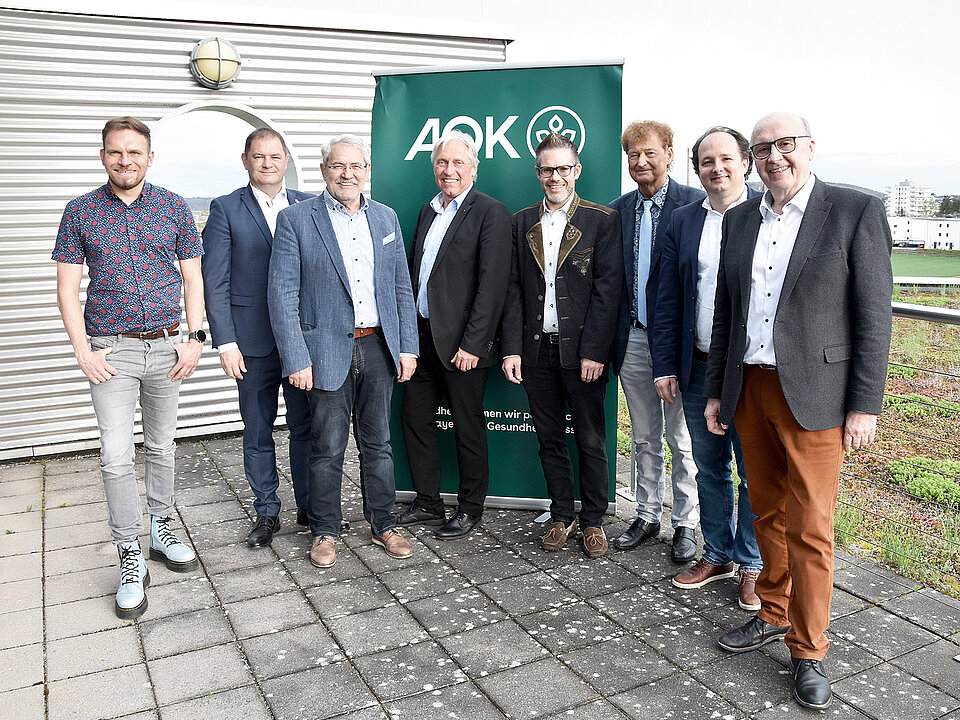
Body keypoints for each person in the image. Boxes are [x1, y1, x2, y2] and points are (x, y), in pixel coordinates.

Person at [704, 112, 893, 710]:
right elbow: (727, 313)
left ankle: (809, 650)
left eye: (785, 144)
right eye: (762, 148)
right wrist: (717, 391)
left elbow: (874, 316)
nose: (774, 157)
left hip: (818, 396)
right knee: (766, 513)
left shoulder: (854, 210)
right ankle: (774, 611)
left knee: (811, 526)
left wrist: (864, 405)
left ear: (810, 147)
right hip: (750, 389)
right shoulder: (740, 218)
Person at [53, 116, 203, 619]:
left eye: (134, 152)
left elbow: (193, 277)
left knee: (162, 445)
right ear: (103, 156)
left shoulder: (174, 207)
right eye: (116, 151)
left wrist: (195, 338)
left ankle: (160, 528)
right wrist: (83, 351)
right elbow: (67, 289)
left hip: (166, 349)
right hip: (111, 353)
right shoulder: (80, 211)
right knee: (116, 456)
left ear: (149, 157)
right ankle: (129, 553)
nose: (125, 160)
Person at [267, 134, 418, 569]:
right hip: (324, 351)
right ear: (324, 171)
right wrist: (296, 358)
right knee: (327, 447)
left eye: (355, 166)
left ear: (366, 171)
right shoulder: (296, 220)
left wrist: (408, 347)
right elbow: (282, 295)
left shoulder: (386, 218)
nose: (347, 174)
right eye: (338, 166)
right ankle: (324, 531)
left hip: (378, 347)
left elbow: (401, 287)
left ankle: (383, 523)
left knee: (379, 444)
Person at [651, 127, 763, 610]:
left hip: (751, 372)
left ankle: (752, 563)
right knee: (709, 467)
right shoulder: (682, 220)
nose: (717, 168)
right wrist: (664, 364)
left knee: (753, 472)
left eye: (726, 159)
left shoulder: (767, 213)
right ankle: (717, 553)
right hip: (697, 367)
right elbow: (666, 296)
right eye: (706, 161)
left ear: (746, 163)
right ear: (695, 169)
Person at [502, 132, 622, 558]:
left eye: (563, 168)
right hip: (536, 351)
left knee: (590, 440)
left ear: (577, 171)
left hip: (582, 354)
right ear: (537, 173)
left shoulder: (602, 220)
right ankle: (561, 516)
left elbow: (608, 291)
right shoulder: (521, 222)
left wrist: (594, 351)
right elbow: (513, 289)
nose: (555, 177)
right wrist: (512, 348)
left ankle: (593, 521)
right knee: (549, 438)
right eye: (547, 169)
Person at [202, 128, 313, 548]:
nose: (268, 164)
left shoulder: (308, 204)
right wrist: (225, 342)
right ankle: (267, 511)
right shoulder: (226, 208)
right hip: (251, 344)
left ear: (286, 161)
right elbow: (215, 282)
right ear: (245, 160)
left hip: (300, 342)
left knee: (306, 427)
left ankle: (309, 506)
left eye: (275, 156)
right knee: (258, 430)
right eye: (259, 156)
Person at [397, 131, 512, 540]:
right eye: (442, 163)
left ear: (473, 168)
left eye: (458, 163)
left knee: (467, 427)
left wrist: (474, 344)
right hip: (421, 339)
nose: (449, 170)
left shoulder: (490, 212)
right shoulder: (427, 211)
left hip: (463, 345)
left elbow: (492, 286)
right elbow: (415, 276)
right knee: (415, 420)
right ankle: (428, 501)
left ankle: (470, 508)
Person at [609, 120, 705, 562]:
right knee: (644, 435)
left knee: (682, 439)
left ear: (669, 153)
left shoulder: (695, 205)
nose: (641, 161)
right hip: (632, 339)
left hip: (679, 345)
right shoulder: (618, 211)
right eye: (633, 154)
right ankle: (647, 514)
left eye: (650, 152)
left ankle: (686, 523)